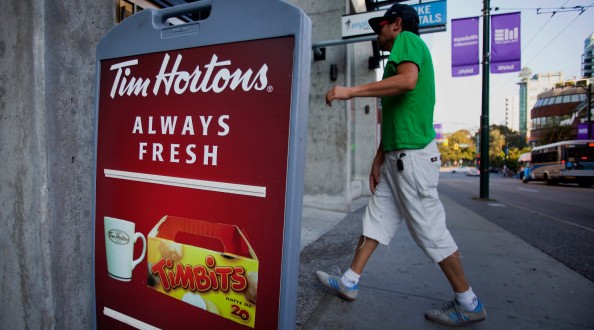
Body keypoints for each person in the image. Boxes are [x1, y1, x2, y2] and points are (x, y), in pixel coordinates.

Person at [316, 4, 487, 327]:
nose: (376, 32)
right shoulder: (398, 57)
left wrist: (350, 91)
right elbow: (397, 112)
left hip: (413, 159)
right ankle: (350, 281)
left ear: (396, 24)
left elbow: (407, 82)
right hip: (399, 158)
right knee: (376, 220)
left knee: (430, 231)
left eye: (380, 25)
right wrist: (379, 158)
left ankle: (469, 302)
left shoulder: (407, 40)